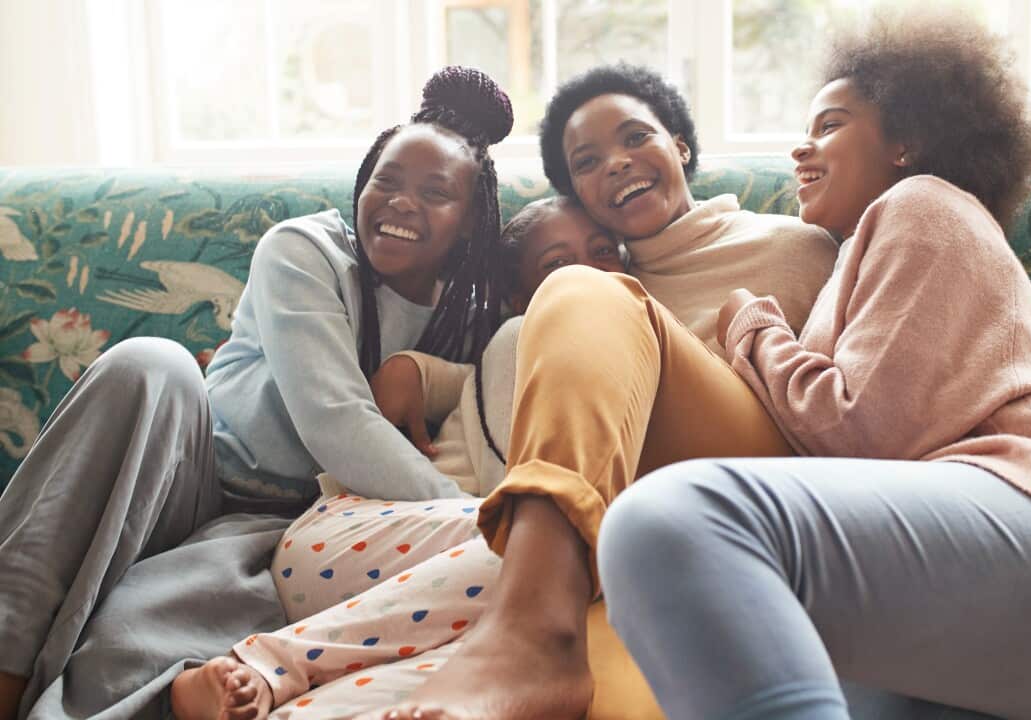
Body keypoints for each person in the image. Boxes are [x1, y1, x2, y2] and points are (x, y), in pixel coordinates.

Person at [594, 7, 1031, 720]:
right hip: (1016, 631)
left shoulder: (923, 205)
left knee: (666, 523)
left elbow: (861, 431)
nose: (800, 150)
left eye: (829, 125)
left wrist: (753, 322)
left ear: (907, 141)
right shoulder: (860, 262)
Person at [0, 66, 513, 720]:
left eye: (436, 192)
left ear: (471, 223)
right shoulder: (307, 250)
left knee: (133, 644)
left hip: (293, 525)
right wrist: (485, 522)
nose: (401, 202)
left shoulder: (470, 318)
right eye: (386, 179)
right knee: (152, 364)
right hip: (190, 472)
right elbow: (336, 421)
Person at [352, 63, 840, 720]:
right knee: (613, 698)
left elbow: (854, 396)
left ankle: (529, 629)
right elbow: (520, 380)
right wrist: (418, 368)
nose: (615, 163)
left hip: (762, 481)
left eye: (637, 137)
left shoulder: (798, 247)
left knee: (582, 291)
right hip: (635, 546)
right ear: (579, 192)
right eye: (588, 161)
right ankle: (534, 652)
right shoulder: (586, 279)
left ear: (681, 146)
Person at [167, 196, 640, 720]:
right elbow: (531, 488)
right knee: (563, 545)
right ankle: (266, 663)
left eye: (604, 251)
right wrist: (413, 371)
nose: (587, 270)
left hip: (435, 592)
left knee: (490, 662)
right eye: (556, 263)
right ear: (517, 295)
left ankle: (271, 702)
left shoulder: (623, 354)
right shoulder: (522, 337)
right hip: (351, 535)